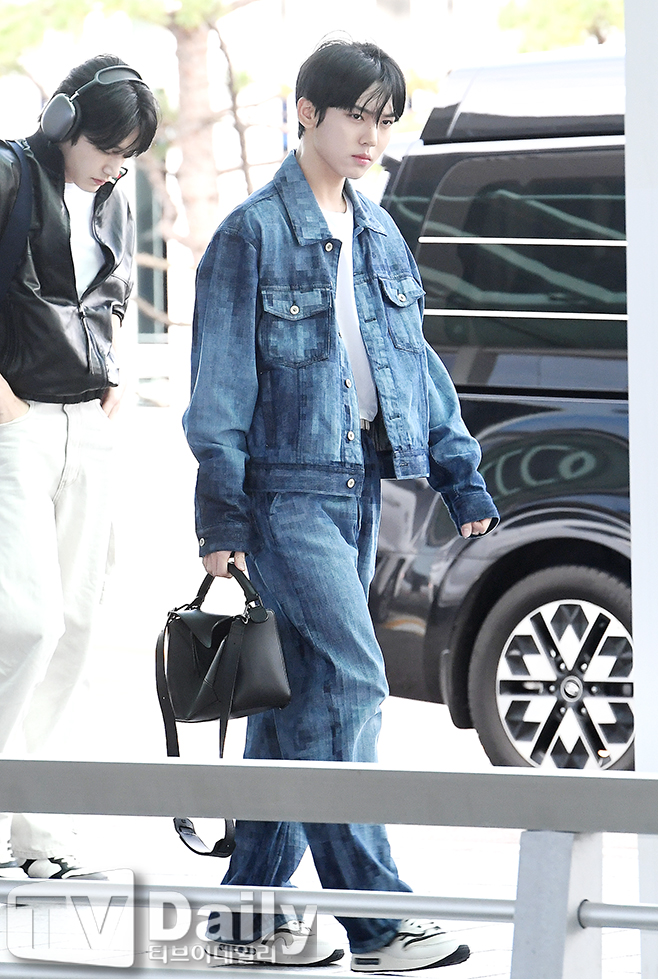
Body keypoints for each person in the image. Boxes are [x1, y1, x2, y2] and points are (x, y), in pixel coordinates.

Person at [183, 39, 499, 971]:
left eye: (384, 118)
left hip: (360, 488)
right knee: (352, 680)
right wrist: (221, 521)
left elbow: (416, 367)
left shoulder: (380, 231)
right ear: (307, 112)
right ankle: (377, 919)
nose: (371, 134)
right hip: (282, 495)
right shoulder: (250, 234)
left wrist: (460, 473)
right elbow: (218, 394)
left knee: (296, 705)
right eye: (356, 114)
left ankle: (245, 919)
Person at [0, 54, 159, 879]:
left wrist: (115, 375)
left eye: (128, 156)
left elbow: (109, 295)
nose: (115, 166)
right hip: (17, 422)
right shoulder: (8, 174)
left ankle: (41, 831)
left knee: (78, 628)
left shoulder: (111, 197)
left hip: (87, 422)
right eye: (107, 148)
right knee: (26, 623)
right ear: (64, 121)